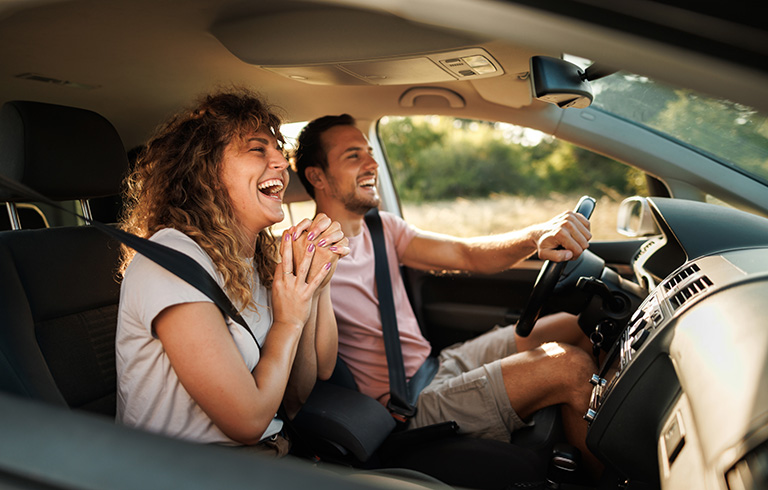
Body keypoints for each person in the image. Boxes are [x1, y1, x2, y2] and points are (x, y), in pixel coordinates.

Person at [293, 114, 601, 474]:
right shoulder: (305, 256)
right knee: (570, 366)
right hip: (408, 405)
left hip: (438, 364)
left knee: (579, 324)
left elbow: (465, 253)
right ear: (317, 176)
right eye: (353, 156)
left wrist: (537, 235)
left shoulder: (382, 228)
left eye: (370, 152)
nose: (372, 164)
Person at [115, 90, 349, 457]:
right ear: (205, 171)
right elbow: (248, 422)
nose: (282, 162)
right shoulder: (171, 261)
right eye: (258, 149)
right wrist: (287, 322)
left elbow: (295, 398)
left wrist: (314, 280)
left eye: (278, 149)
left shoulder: (253, 260)